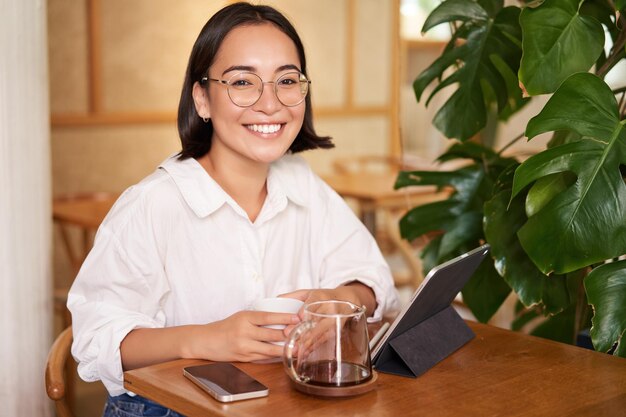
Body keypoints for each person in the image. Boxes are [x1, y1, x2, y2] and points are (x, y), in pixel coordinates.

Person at [68, 2, 400, 416]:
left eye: (287, 80)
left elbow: (375, 283)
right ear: (202, 99)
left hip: (280, 401)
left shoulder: (303, 185)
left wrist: (333, 300)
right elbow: (95, 339)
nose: (271, 103)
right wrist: (208, 338)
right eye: (243, 81)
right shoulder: (153, 205)